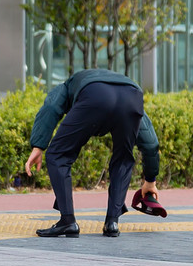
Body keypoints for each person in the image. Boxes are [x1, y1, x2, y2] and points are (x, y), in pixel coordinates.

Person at [24, 68, 160, 238]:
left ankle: (68, 221)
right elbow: (150, 143)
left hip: (94, 96)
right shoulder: (124, 88)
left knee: (58, 155)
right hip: (132, 96)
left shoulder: (67, 86)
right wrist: (150, 180)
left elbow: (51, 106)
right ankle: (112, 222)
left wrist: (38, 145)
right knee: (123, 159)